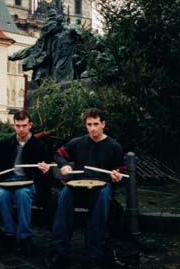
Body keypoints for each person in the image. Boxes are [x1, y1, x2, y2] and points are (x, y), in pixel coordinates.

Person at [46, 108, 124, 268]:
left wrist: (118, 176)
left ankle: (95, 252)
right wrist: (64, 165)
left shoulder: (113, 146)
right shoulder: (78, 143)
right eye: (89, 124)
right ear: (86, 125)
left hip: (101, 187)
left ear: (103, 124)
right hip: (79, 185)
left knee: (103, 197)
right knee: (64, 195)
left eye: (96, 124)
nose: (93, 128)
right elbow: (58, 154)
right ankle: (59, 250)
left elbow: (120, 171)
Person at [0, 110, 52, 255]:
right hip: (7, 183)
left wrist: (46, 168)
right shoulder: (6, 144)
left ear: (30, 125)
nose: (21, 129)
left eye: (24, 126)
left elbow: (50, 162)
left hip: (29, 183)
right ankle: (10, 234)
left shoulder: (39, 145)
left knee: (22, 194)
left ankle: (24, 237)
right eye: (18, 126)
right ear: (14, 126)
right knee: (2, 195)